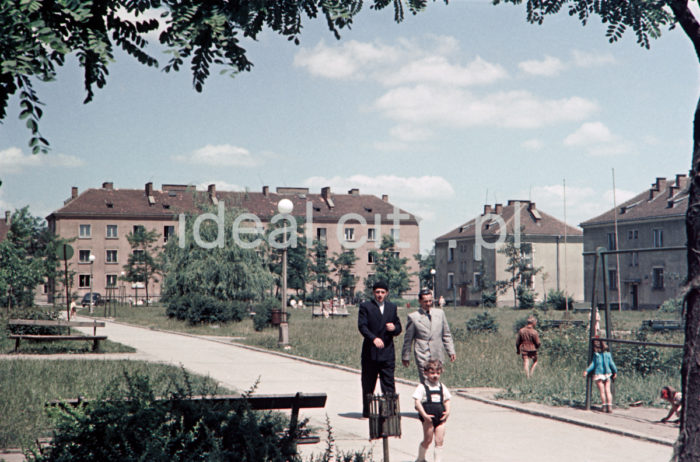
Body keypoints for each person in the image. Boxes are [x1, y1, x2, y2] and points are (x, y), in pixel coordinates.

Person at [358, 280, 402, 418]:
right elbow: (362, 326)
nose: (380, 295)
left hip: (387, 352)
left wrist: (394, 328)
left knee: (388, 382)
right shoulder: (366, 306)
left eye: (382, 292)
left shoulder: (391, 307)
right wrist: (373, 338)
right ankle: (367, 411)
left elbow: (399, 326)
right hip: (370, 352)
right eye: (377, 292)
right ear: (373, 293)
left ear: (387, 293)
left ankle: (390, 411)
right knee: (368, 382)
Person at [402, 289, 456, 383]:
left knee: (436, 380)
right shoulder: (413, 317)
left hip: (437, 352)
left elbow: (446, 334)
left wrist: (451, 351)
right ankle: (427, 396)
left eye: (430, 301)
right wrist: (406, 356)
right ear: (420, 301)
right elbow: (408, 339)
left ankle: (435, 398)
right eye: (425, 301)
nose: (428, 304)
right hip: (422, 353)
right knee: (426, 380)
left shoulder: (440, 314)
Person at [413, 359, 451, 462]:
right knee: (428, 440)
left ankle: (437, 460)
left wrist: (447, 411)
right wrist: (424, 415)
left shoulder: (442, 387)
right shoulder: (422, 387)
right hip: (428, 418)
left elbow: (447, 399)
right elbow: (417, 402)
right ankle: (420, 458)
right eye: (432, 373)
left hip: (440, 417)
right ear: (425, 373)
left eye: (438, 373)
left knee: (439, 440)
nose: (435, 376)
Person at [583, 339, 618, 413]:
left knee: (602, 391)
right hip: (607, 374)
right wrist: (615, 372)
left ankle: (604, 405)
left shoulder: (596, 355)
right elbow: (612, 364)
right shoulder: (608, 355)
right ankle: (610, 406)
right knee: (608, 391)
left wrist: (587, 371)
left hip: (599, 374)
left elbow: (593, 365)